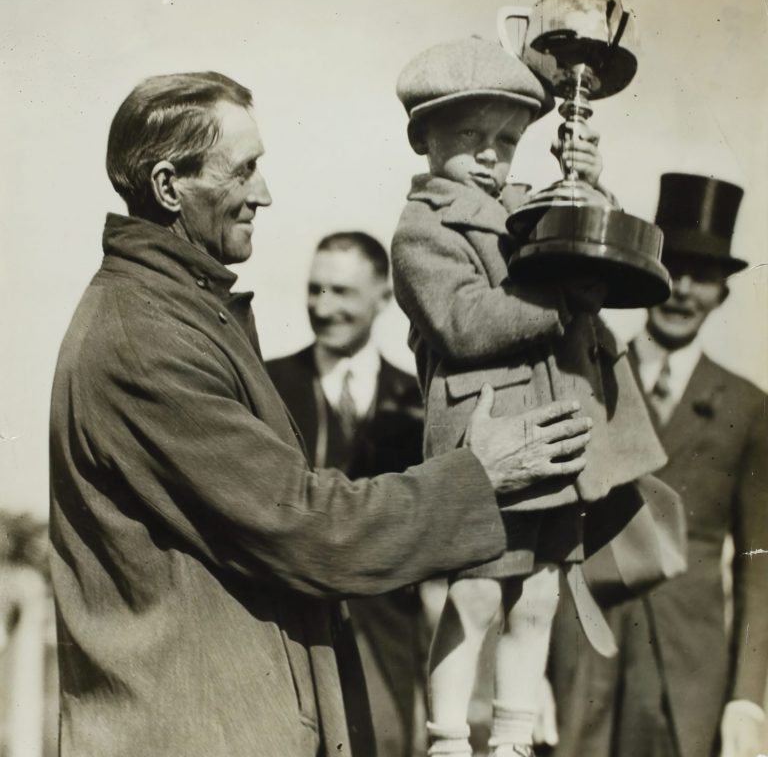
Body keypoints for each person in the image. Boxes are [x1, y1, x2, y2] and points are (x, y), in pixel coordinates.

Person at [48, 71, 595, 757]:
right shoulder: (147, 340)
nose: (264, 193)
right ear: (167, 187)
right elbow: (305, 526)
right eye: (244, 171)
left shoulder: (176, 312)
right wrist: (477, 476)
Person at [390, 37, 668, 757]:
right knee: (479, 594)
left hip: (557, 436)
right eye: (471, 137)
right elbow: (464, 322)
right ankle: (449, 738)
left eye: (508, 140)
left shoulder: (524, 205)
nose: (491, 154)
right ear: (424, 138)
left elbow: (592, 241)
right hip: (494, 440)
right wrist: (558, 301)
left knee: (542, 591)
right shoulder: (423, 231)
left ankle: (512, 737)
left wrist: (590, 185)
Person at [545, 173, 768, 757]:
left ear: (723, 293)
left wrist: (747, 697)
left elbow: (758, 562)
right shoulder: (590, 371)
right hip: (581, 640)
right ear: (649, 277)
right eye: (675, 271)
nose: (685, 291)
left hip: (685, 666)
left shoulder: (748, 406)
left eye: (706, 277)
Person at [267, 231, 428, 757]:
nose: (323, 307)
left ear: (383, 296)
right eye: (315, 291)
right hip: (288, 639)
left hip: (387, 642)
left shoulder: (419, 399)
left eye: (341, 292)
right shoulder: (267, 385)